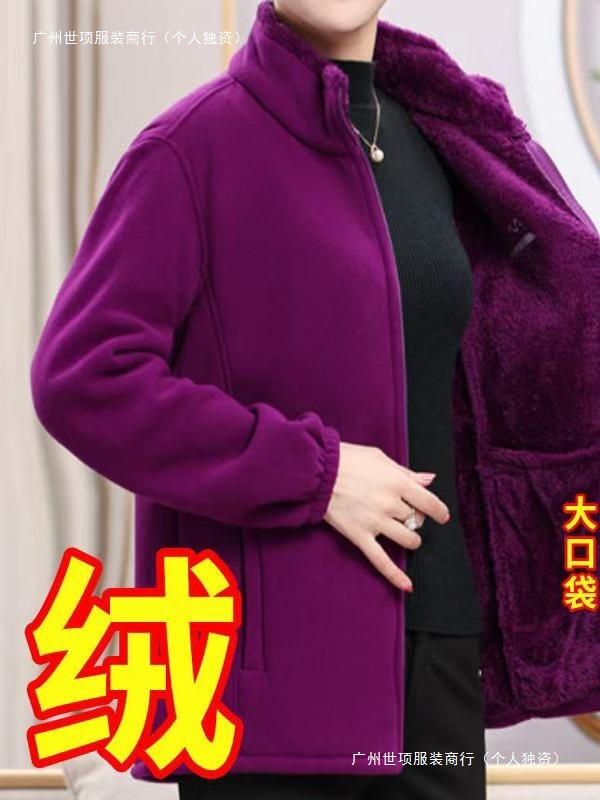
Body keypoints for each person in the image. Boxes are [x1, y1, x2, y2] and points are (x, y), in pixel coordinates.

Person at [30, 0, 600, 799]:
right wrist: (315, 472)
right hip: (270, 692)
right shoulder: (192, 148)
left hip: (438, 656)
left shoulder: (452, 137)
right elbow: (83, 376)